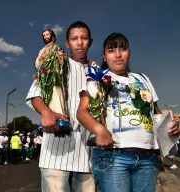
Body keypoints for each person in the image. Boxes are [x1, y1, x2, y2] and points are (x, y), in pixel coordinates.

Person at [77, 32, 180, 192]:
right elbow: (82, 111)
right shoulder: (97, 78)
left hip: (148, 157)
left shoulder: (143, 79)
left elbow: (156, 113)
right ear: (104, 56)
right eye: (111, 51)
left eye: (122, 49)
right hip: (113, 155)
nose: (118, 55)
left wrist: (172, 126)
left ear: (129, 53)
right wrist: (98, 129)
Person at [26, 21, 95, 192]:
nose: (79, 42)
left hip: (87, 155)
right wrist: (46, 111)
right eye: (74, 38)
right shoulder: (56, 61)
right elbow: (35, 92)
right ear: (67, 43)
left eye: (84, 38)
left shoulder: (98, 72)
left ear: (90, 42)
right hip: (55, 153)